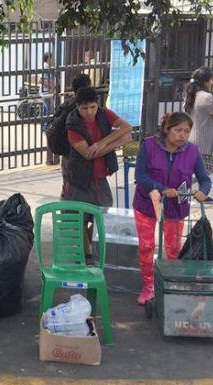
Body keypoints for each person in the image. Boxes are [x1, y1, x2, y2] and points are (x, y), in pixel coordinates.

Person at [132, 112, 212, 305]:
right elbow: (140, 176)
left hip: (176, 208)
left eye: (186, 131)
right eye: (178, 130)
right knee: (147, 246)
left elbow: (204, 178)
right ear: (167, 129)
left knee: (173, 248)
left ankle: (170, 282)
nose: (182, 135)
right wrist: (161, 189)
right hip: (147, 204)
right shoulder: (149, 145)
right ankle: (148, 285)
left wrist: (203, 191)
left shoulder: (192, 151)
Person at [62, 85, 133, 261]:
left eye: (92, 107)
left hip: (100, 178)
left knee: (101, 217)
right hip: (78, 179)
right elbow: (87, 154)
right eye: (84, 108)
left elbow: (127, 127)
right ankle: (85, 256)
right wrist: (117, 142)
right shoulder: (72, 124)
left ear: (97, 104)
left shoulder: (104, 114)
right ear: (77, 107)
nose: (88, 112)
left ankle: (89, 252)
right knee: (77, 220)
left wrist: (101, 143)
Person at [184, 67, 213, 202]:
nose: (212, 82)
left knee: (196, 169)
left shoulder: (190, 94)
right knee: (205, 170)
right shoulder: (207, 97)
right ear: (206, 81)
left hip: (191, 137)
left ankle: (201, 194)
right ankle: (184, 188)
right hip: (204, 140)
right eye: (211, 79)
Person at [40, 53, 55, 135]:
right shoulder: (45, 67)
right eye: (51, 58)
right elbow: (41, 80)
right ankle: (46, 129)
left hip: (46, 91)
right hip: (46, 91)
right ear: (48, 58)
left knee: (45, 110)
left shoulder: (46, 66)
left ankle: (43, 128)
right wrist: (51, 87)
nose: (52, 60)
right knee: (47, 110)